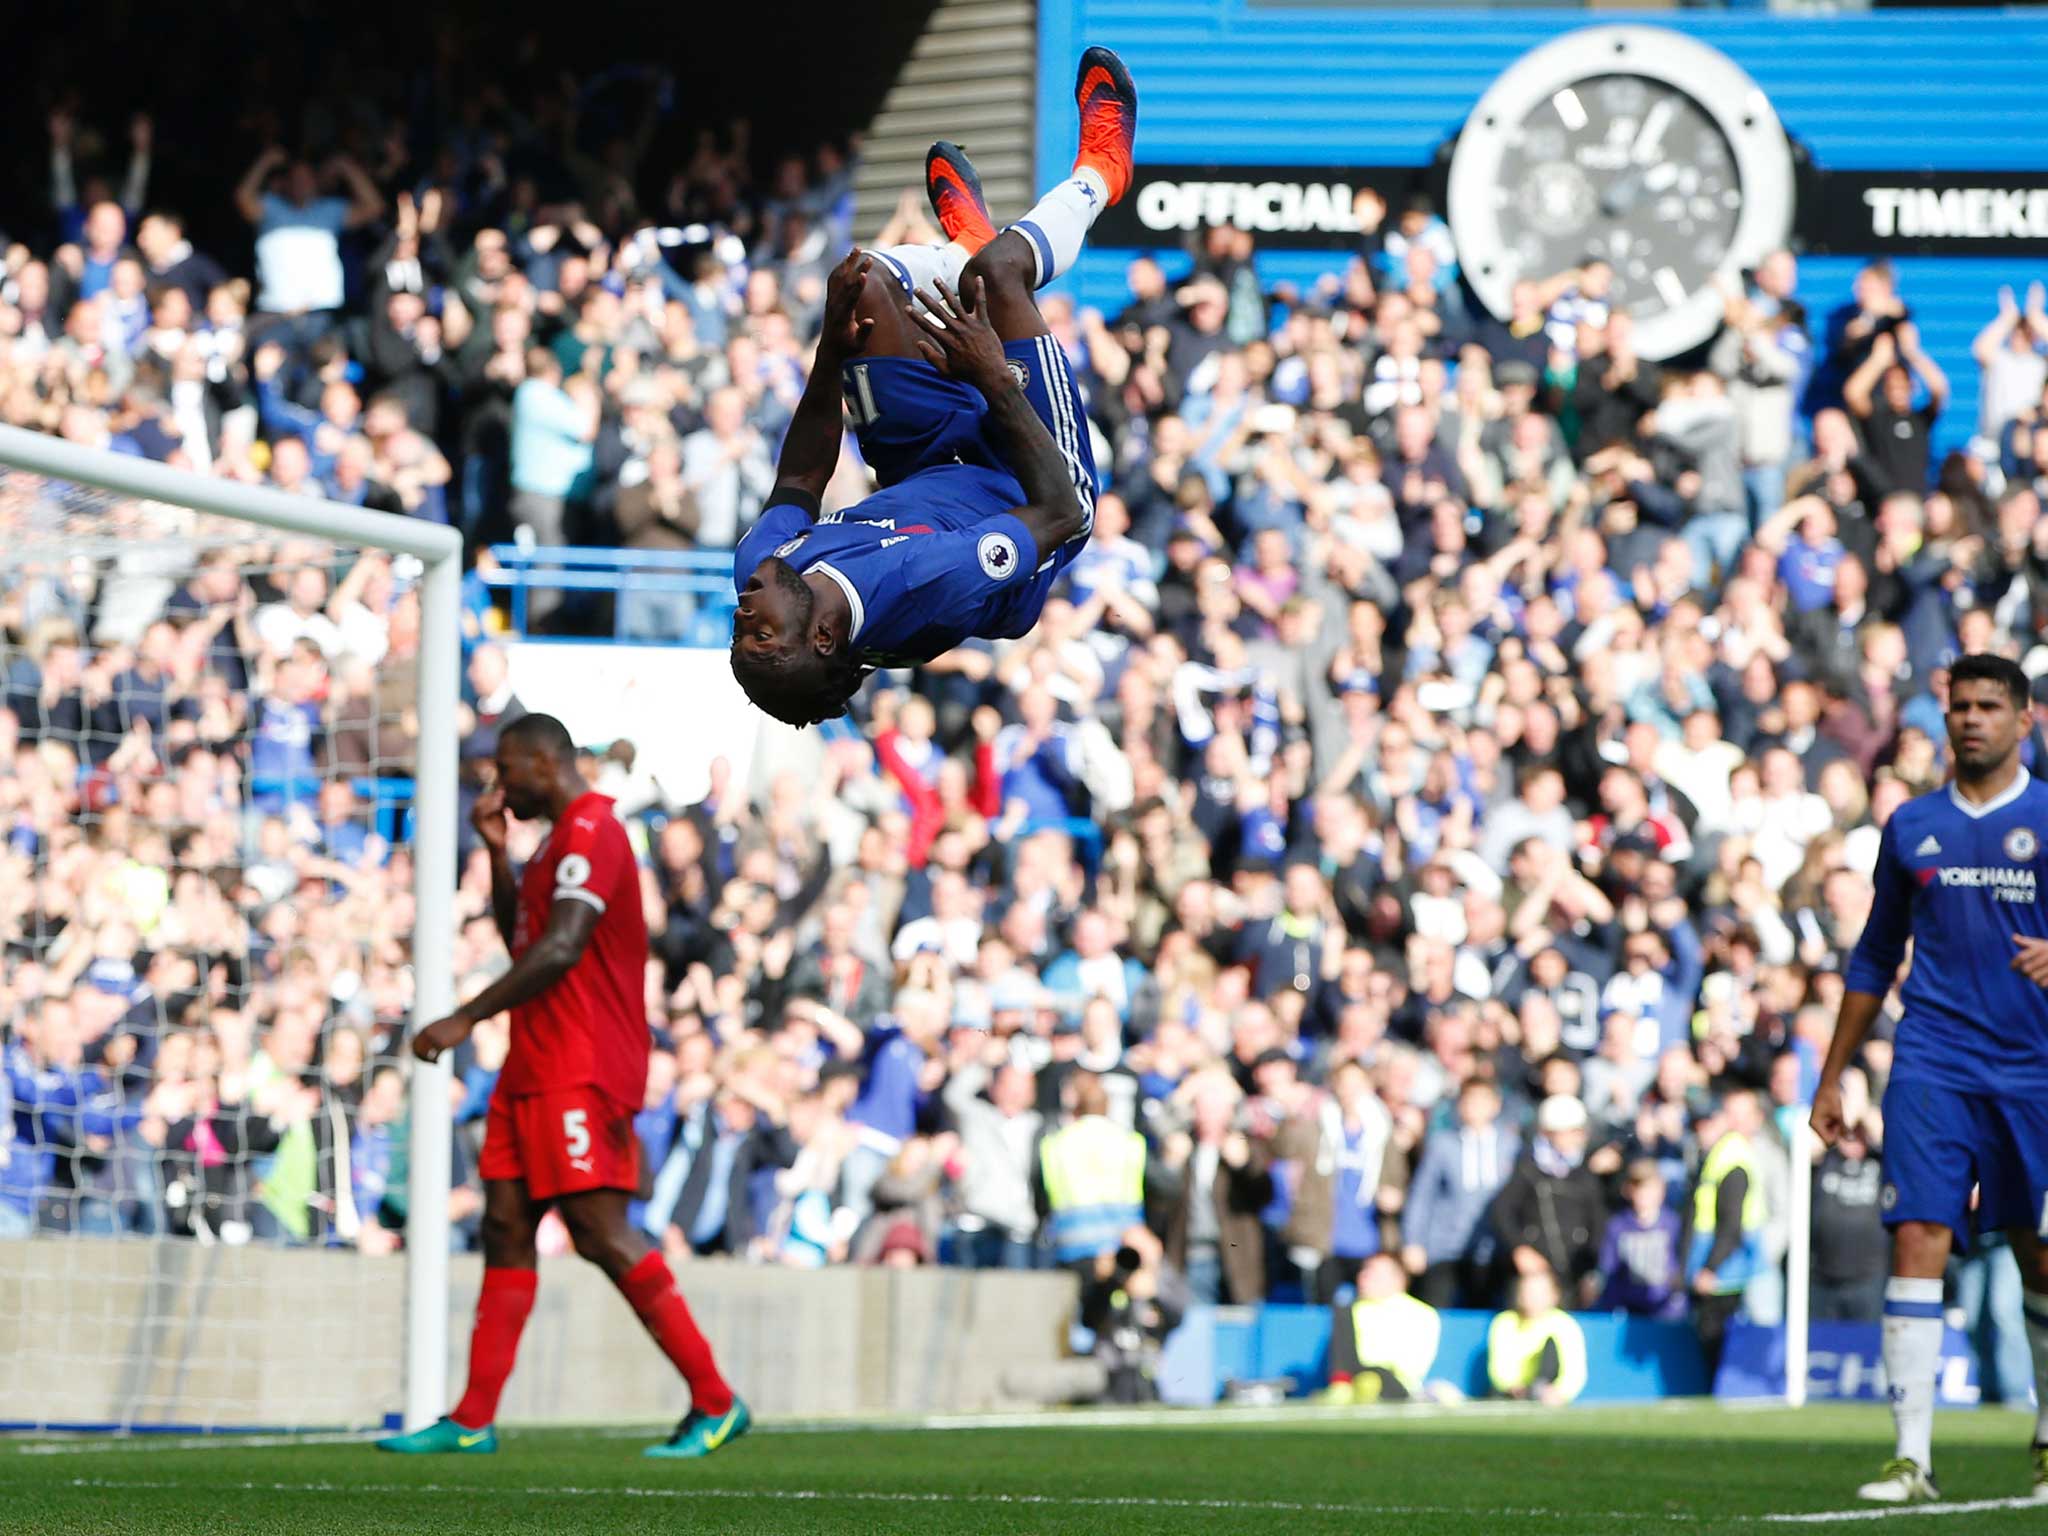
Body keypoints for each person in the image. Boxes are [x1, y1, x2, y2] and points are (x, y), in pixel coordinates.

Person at [376, 714, 749, 1461]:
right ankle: (473, 1418)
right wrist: (497, 853)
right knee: (506, 1226)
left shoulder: (593, 830)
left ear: (544, 763)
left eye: (506, 772)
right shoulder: (553, 841)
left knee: (600, 1232)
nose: (499, 786)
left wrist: (464, 1017)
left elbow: (564, 944)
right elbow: (528, 932)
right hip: (533, 1064)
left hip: (584, 1065)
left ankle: (716, 1401)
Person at [727, 48, 1137, 725]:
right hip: (1034, 483)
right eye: (761, 631)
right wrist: (993, 377)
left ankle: (959, 250)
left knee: (858, 285)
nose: (744, 613)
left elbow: (800, 477)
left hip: (925, 464)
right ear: (824, 636)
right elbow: (1061, 513)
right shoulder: (925, 588)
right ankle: (1100, 172)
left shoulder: (763, 569)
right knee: (1000, 277)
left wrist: (830, 349)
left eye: (739, 631)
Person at [1812, 651, 2048, 1504]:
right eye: (1961, 707)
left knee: (2039, 1254)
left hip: (2035, 1071)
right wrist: (1831, 1076)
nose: (1973, 719)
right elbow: (1875, 955)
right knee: (1918, 1237)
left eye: (1991, 706)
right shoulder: (1911, 826)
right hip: (1933, 1061)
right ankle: (1912, 1459)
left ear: (2027, 721)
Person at [1687, 1091, 1766, 1384]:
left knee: (1718, 1332)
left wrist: (1710, 1267)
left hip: (1729, 1265)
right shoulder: (1719, 1156)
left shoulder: (1731, 1159)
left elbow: (1731, 1223)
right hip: (1723, 1260)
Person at [1324, 1251, 1441, 1403]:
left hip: (1393, 1381)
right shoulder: (1349, 1310)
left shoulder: (1423, 1313)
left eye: (1373, 1272)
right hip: (1354, 1375)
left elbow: (1412, 1366)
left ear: (1398, 1279)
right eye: (1364, 1270)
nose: (1363, 1276)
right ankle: (1343, 1386)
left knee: (1374, 1377)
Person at [1486, 1267, 1588, 1406]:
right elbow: (1498, 1367)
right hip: (1510, 1395)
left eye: (1538, 1293)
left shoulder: (1566, 1324)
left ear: (1554, 1295)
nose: (1531, 1298)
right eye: (1527, 1292)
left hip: (1547, 1394)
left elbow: (1575, 1373)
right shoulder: (1504, 1322)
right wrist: (1512, 1387)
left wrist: (1558, 1392)